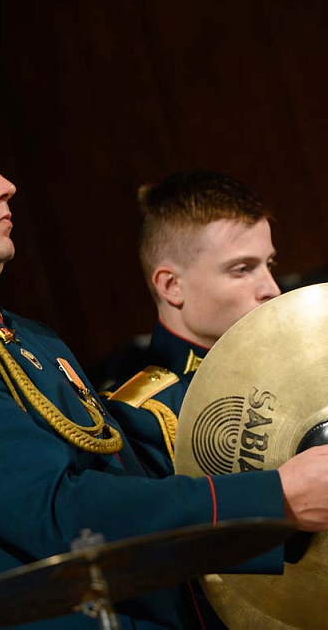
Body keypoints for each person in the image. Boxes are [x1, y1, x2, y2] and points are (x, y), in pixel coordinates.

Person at [0, 95, 328, 629]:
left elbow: (129, 459)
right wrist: (274, 500)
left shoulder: (17, 332)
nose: (4, 185)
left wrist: (289, 379)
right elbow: (58, 513)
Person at [105, 171, 280, 478]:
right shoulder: (136, 417)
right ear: (171, 286)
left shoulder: (292, 363)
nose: (272, 289)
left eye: (269, 265)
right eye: (242, 269)